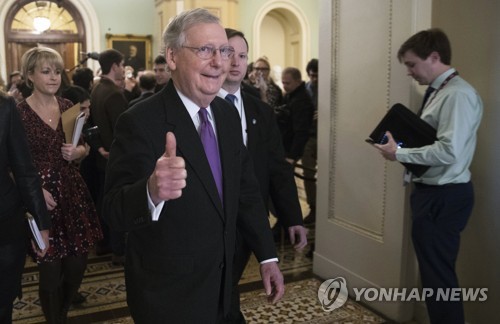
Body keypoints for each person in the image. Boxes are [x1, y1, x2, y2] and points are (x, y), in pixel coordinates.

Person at [103, 8, 284, 323]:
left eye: (224, 51)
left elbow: (246, 192)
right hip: (169, 299)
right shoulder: (139, 121)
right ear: (172, 57)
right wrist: (151, 192)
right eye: (204, 50)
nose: (219, 62)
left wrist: (267, 255)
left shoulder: (226, 116)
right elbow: (113, 210)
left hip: (224, 289)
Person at [374, 28, 483, 324]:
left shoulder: (458, 95)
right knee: (435, 278)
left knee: (439, 281)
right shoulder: (441, 92)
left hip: (443, 197)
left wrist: (400, 154)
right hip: (433, 195)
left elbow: (449, 152)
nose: (409, 72)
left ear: (434, 57)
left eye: (411, 64)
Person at [218, 28, 307, 324]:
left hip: (249, 220)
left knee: (226, 287)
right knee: (220, 291)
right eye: (228, 53)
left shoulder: (260, 110)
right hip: (211, 220)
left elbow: (277, 168)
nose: (236, 62)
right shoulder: (200, 106)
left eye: (242, 55)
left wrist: (293, 216)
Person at [17, 46, 102, 323]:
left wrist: (79, 152)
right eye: (46, 71)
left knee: (77, 264)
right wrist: (34, 191)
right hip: (39, 197)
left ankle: (62, 313)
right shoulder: (17, 113)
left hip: (71, 191)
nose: (54, 77)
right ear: (30, 75)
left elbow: (83, 146)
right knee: (50, 270)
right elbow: (6, 163)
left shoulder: (68, 106)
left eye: (57, 72)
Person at [0, 90, 51, 324]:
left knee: (3, 299)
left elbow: (24, 170)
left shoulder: (4, 105)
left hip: (5, 221)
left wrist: (41, 223)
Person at [90, 49, 129, 264]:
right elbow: (123, 130)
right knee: (116, 205)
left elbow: (93, 124)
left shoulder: (97, 88)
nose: (123, 69)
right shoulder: (113, 93)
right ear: (115, 66)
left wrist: (99, 148)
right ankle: (119, 251)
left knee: (104, 202)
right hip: (115, 159)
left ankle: (103, 243)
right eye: (122, 65)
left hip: (103, 156)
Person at [302, 58, 318, 224]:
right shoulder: (306, 89)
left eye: (317, 75)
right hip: (310, 136)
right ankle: (313, 207)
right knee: (308, 173)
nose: (314, 79)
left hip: (324, 136)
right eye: (312, 75)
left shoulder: (328, 89)